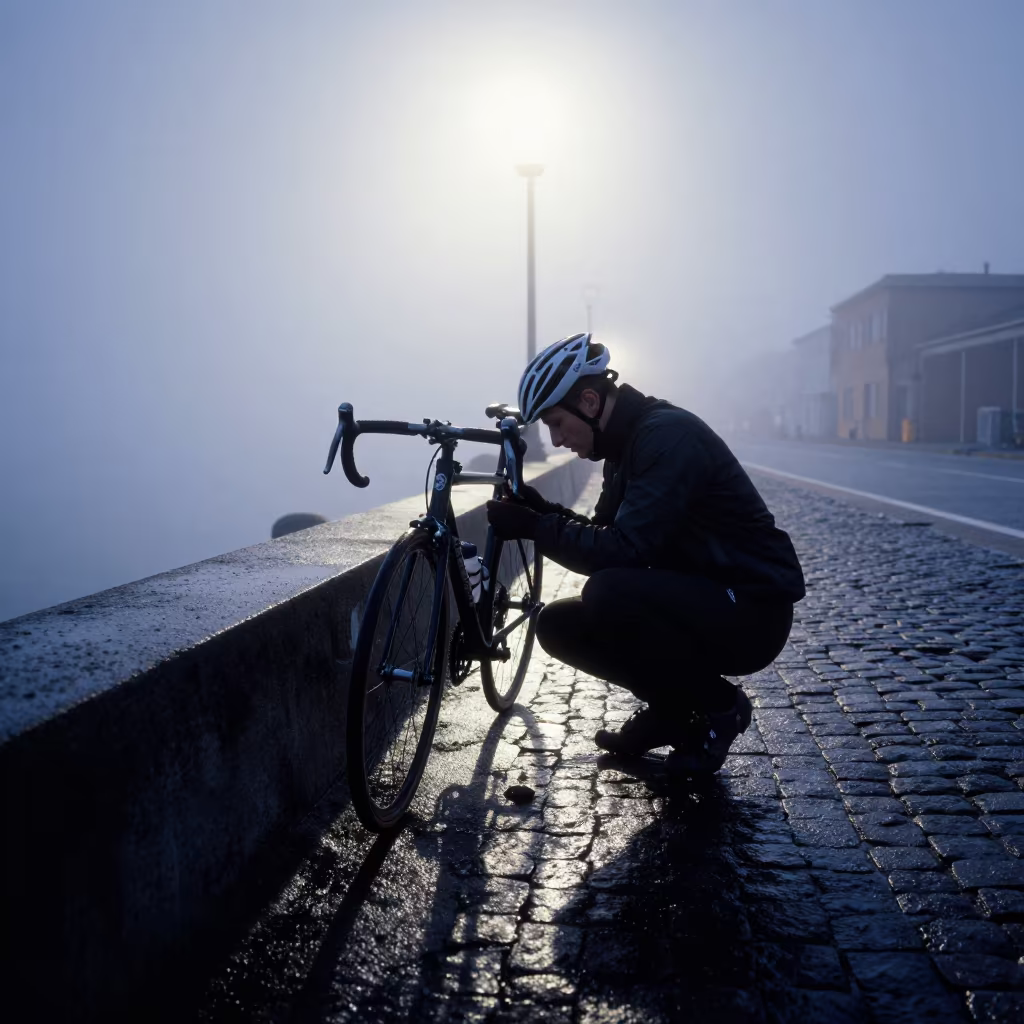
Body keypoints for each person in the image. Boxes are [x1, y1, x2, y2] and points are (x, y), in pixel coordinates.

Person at [486, 333, 805, 775]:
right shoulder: (624, 447)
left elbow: (626, 551)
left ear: (591, 402)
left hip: (752, 610)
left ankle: (720, 709)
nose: (557, 440)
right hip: (707, 594)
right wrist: (543, 511)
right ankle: (672, 715)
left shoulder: (666, 437)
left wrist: (537, 529)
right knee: (558, 625)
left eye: (558, 423)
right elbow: (606, 533)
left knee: (609, 592)